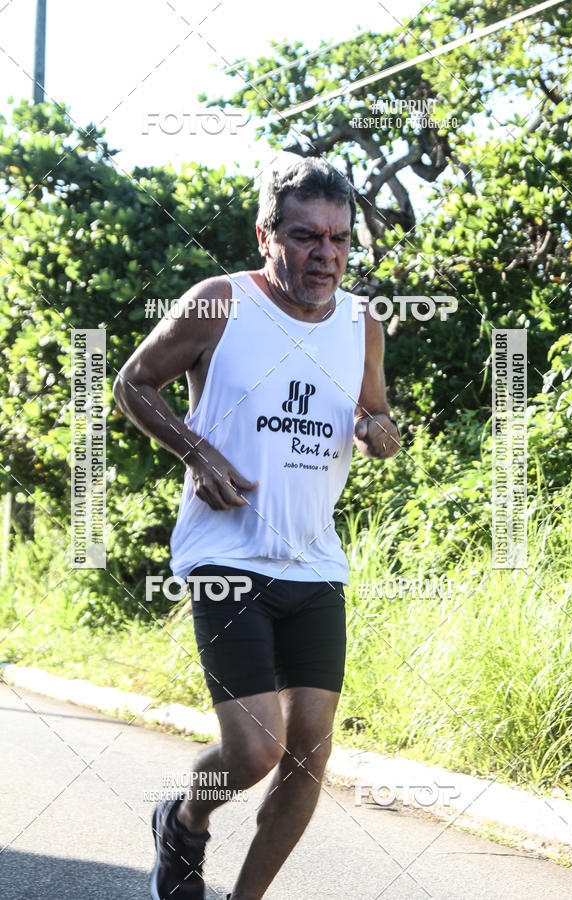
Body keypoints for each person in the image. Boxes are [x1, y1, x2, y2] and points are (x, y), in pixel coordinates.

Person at [114, 156, 400, 900]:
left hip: (314, 562)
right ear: (265, 235)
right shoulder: (220, 303)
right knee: (254, 750)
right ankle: (183, 820)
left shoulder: (361, 323)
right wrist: (197, 451)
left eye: (339, 240)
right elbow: (131, 384)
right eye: (306, 237)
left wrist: (380, 428)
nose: (326, 256)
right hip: (226, 553)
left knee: (308, 755)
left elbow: (375, 410)